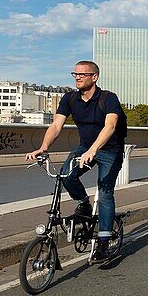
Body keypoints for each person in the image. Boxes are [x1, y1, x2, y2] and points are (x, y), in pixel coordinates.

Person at [26, 60, 127, 262]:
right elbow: (56, 126)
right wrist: (43, 147)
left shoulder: (108, 98)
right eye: (75, 74)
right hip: (86, 148)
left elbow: (111, 126)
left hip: (109, 149)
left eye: (82, 74)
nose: (78, 77)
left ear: (94, 77)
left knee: (105, 192)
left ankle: (104, 243)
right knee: (65, 175)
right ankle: (83, 203)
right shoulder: (70, 98)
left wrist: (93, 149)